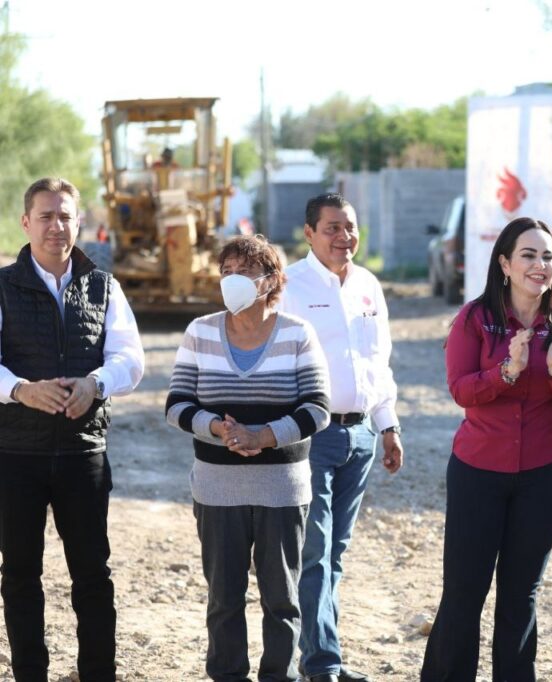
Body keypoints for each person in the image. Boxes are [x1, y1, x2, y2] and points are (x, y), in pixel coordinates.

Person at [421, 217, 552, 682]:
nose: (540, 265)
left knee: (522, 594)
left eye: (549, 256)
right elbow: (460, 390)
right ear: (504, 263)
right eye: (529, 255)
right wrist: (508, 369)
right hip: (478, 471)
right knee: (464, 590)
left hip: (543, 474)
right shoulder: (475, 319)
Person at [165, 234, 331, 682]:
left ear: (270, 280)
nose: (231, 281)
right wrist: (220, 430)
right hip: (217, 487)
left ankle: (281, 675)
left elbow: (318, 407)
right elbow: (177, 405)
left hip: (281, 488)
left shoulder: (297, 333)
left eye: (243, 272)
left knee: (282, 599)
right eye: (225, 272)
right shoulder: (200, 332)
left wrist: (264, 437)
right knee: (223, 598)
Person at [0, 177, 145, 682]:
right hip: (14, 456)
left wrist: (96, 383)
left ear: (78, 222)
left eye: (65, 216)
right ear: (26, 222)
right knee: (19, 577)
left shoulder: (105, 286)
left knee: (92, 576)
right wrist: (19, 389)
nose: (56, 226)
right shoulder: (2, 285)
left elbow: (131, 358)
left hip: (85, 454)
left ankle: (98, 675)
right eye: (45, 216)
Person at [278, 194, 403, 682]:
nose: (343, 237)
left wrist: (388, 426)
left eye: (349, 227)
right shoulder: (289, 285)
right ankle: (322, 664)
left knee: (335, 554)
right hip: (313, 435)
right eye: (332, 228)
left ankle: (316, 654)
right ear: (309, 233)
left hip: (363, 436)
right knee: (315, 550)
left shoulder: (369, 286)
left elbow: (379, 363)